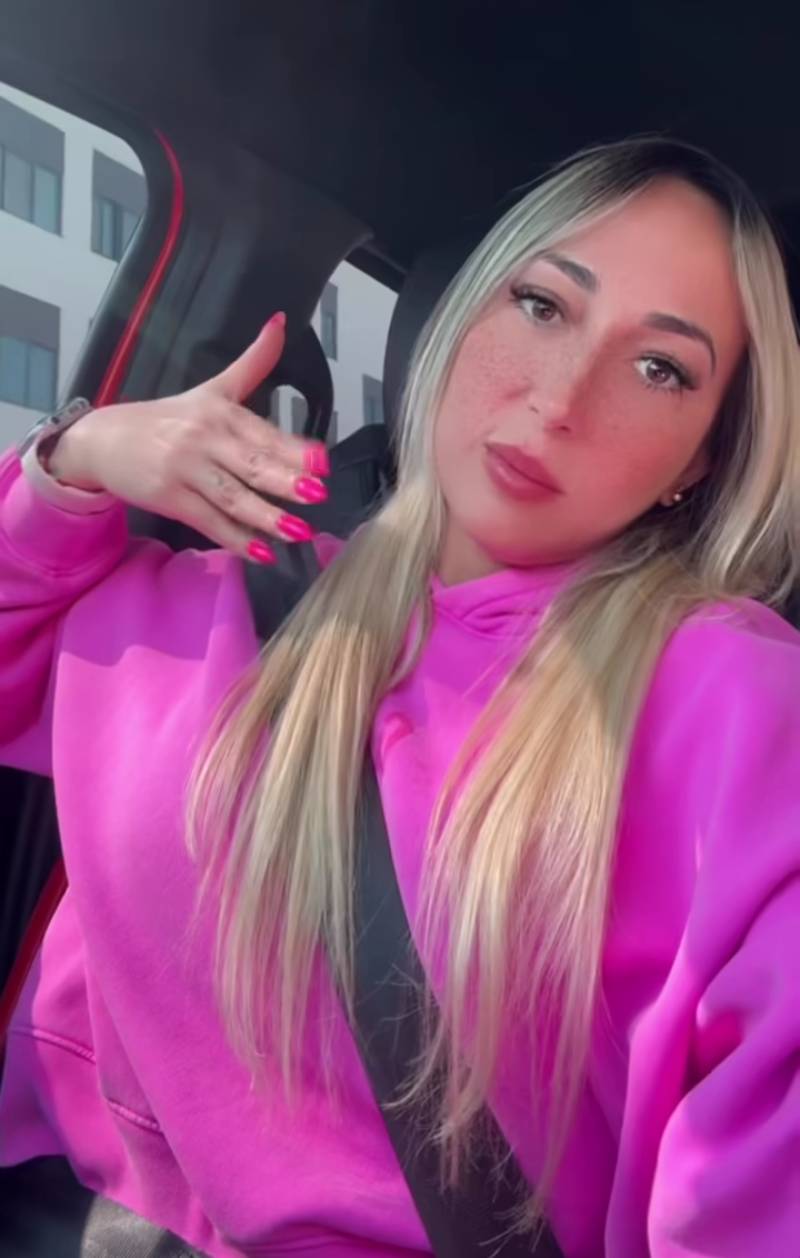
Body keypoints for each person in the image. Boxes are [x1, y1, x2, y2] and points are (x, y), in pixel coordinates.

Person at [0, 137, 798, 1257]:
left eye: (660, 368)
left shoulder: (729, 699)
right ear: (460, 317)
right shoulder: (234, 595)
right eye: (541, 305)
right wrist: (74, 463)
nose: (560, 399)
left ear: (699, 462)